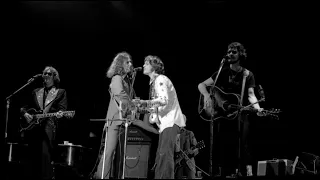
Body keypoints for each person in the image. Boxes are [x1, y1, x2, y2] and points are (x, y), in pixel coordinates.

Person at [198, 42, 263, 177]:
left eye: (234, 52)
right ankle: (220, 172)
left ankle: (244, 171)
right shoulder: (222, 71)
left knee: (242, 143)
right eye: (229, 52)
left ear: (240, 54)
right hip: (222, 114)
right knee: (221, 144)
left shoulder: (247, 74)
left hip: (240, 113)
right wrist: (207, 96)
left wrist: (258, 108)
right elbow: (202, 85)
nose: (230, 54)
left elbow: (251, 95)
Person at [92, 52, 158, 179]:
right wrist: (134, 105)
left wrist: (143, 107)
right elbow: (120, 95)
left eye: (130, 62)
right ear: (120, 64)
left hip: (123, 121)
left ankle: (104, 175)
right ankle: (101, 176)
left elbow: (131, 99)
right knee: (109, 152)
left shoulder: (127, 81)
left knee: (115, 154)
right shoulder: (117, 78)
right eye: (127, 62)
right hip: (115, 120)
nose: (131, 64)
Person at [138, 55, 186, 179]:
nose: (143, 65)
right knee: (161, 156)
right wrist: (143, 108)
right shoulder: (155, 83)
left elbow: (163, 100)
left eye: (146, 63)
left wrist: (144, 103)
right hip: (165, 124)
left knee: (165, 156)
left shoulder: (161, 79)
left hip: (170, 122)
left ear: (154, 66)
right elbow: (157, 108)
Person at [20, 66, 68, 179]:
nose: (45, 75)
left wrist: (61, 114)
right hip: (32, 129)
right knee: (31, 159)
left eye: (49, 73)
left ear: (54, 77)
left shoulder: (60, 92)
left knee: (45, 158)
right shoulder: (36, 91)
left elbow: (63, 109)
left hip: (49, 128)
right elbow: (23, 107)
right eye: (44, 73)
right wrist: (24, 113)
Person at [174, 115, 199, 179]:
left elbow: (196, 148)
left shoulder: (189, 133)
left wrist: (192, 152)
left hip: (189, 162)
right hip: (176, 163)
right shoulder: (172, 135)